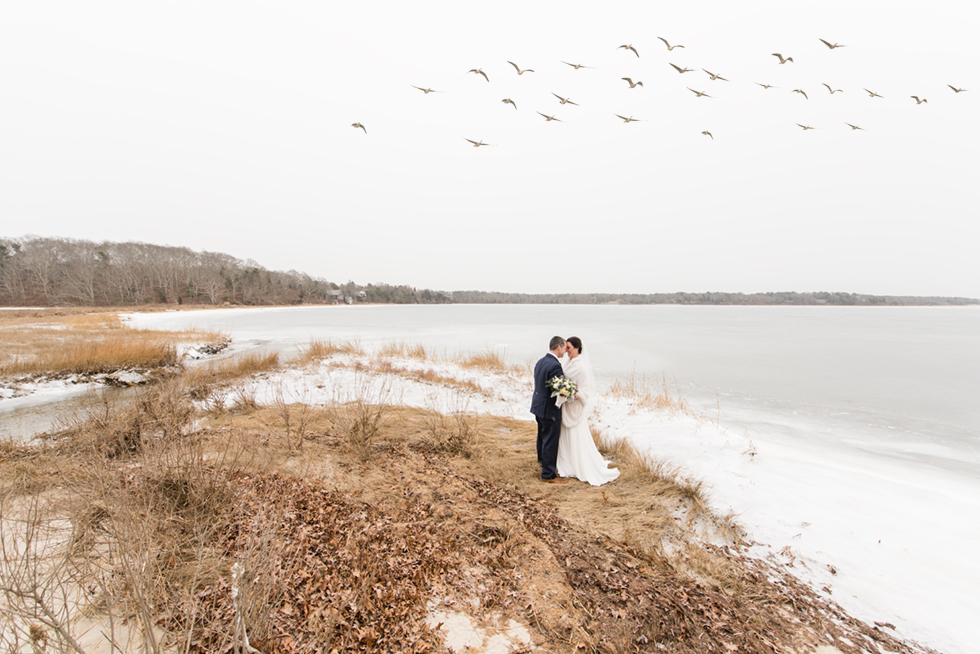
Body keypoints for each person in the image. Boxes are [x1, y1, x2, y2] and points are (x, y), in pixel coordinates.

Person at [556, 336, 620, 486]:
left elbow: (585, 392)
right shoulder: (568, 362)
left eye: (569, 348)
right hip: (566, 407)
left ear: (577, 348)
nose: (566, 351)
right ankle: (567, 462)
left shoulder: (581, 367)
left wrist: (570, 394)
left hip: (574, 408)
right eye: (565, 348)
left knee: (576, 436)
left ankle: (578, 463)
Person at [530, 336, 568, 483]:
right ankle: (548, 475)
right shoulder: (555, 366)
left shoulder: (541, 361)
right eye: (564, 348)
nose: (565, 351)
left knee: (542, 436)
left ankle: (542, 462)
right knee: (550, 440)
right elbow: (559, 389)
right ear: (559, 347)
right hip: (548, 408)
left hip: (538, 406)